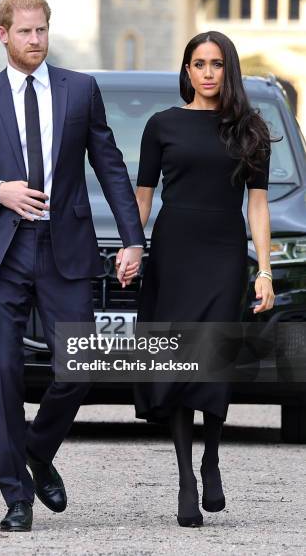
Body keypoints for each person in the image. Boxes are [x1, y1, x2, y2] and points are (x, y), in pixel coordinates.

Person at [0, 0, 145, 532]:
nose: (35, 40)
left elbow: (111, 166)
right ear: (3, 34)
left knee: (77, 365)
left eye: (42, 30)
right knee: (2, 376)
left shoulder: (80, 90)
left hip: (65, 248)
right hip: (2, 252)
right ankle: (17, 499)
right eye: (25, 31)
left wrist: (133, 238)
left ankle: (34, 448)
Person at [116, 30, 276, 527]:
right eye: (198, 63)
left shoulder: (250, 128)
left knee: (213, 362)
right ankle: (186, 475)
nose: (207, 72)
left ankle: (211, 458)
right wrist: (131, 245)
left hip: (224, 256)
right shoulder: (161, 125)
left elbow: (258, 204)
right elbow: (143, 196)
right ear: (186, 71)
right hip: (173, 254)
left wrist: (264, 270)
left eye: (216, 63)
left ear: (228, 69)